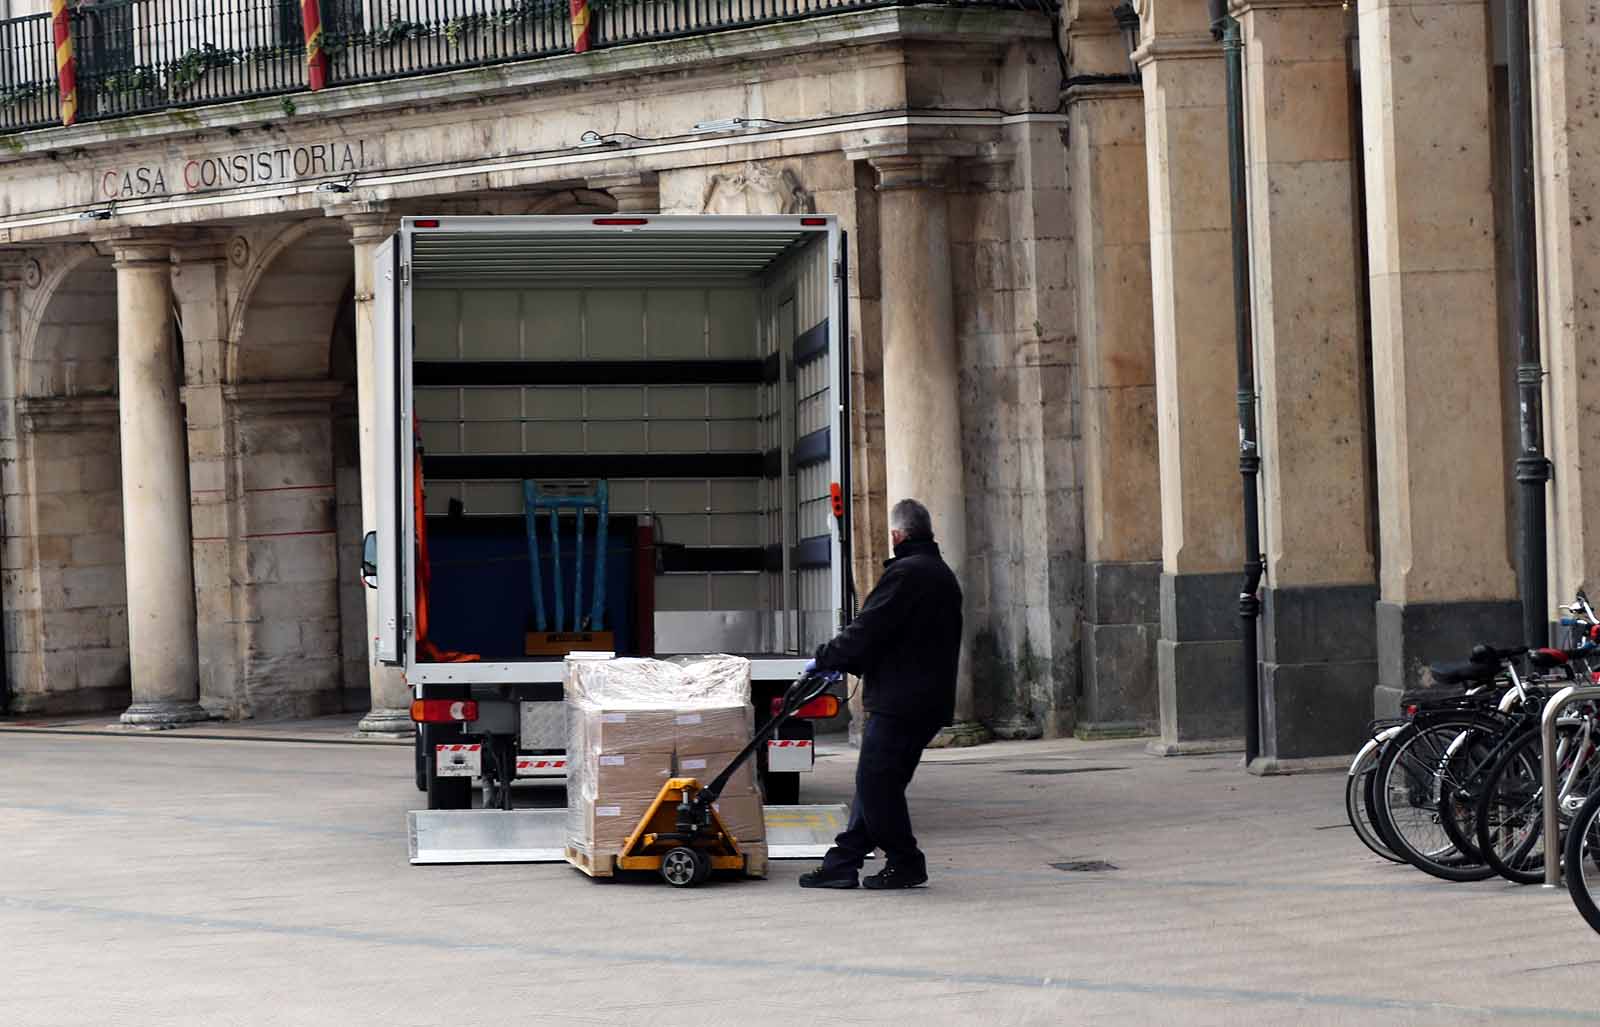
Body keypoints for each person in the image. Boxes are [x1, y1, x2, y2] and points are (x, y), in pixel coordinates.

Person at [798, 498, 963, 890]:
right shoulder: (939, 573)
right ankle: (844, 861)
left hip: (901, 702)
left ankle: (906, 860)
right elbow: (896, 634)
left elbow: (870, 627)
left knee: (876, 785)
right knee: (877, 784)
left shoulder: (908, 574)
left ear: (896, 535)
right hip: (922, 700)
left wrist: (826, 657)